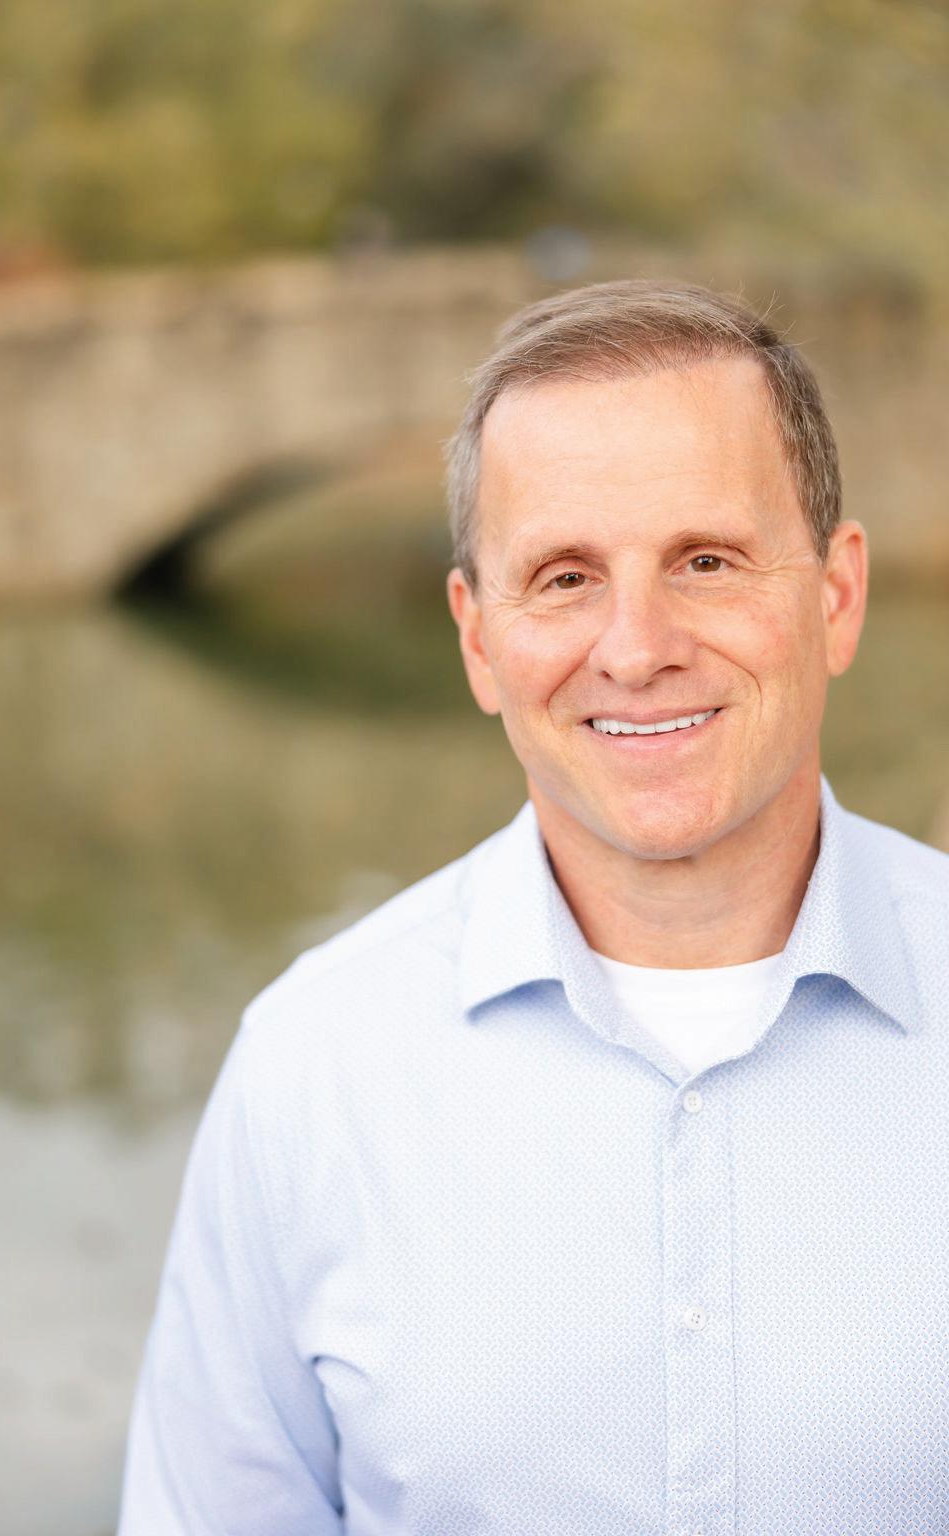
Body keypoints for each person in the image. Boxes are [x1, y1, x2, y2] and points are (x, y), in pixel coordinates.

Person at [118, 281, 949, 1535]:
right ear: (476, 639)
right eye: (563, 578)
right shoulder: (314, 1070)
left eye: (706, 561)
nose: (635, 647)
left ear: (834, 597)